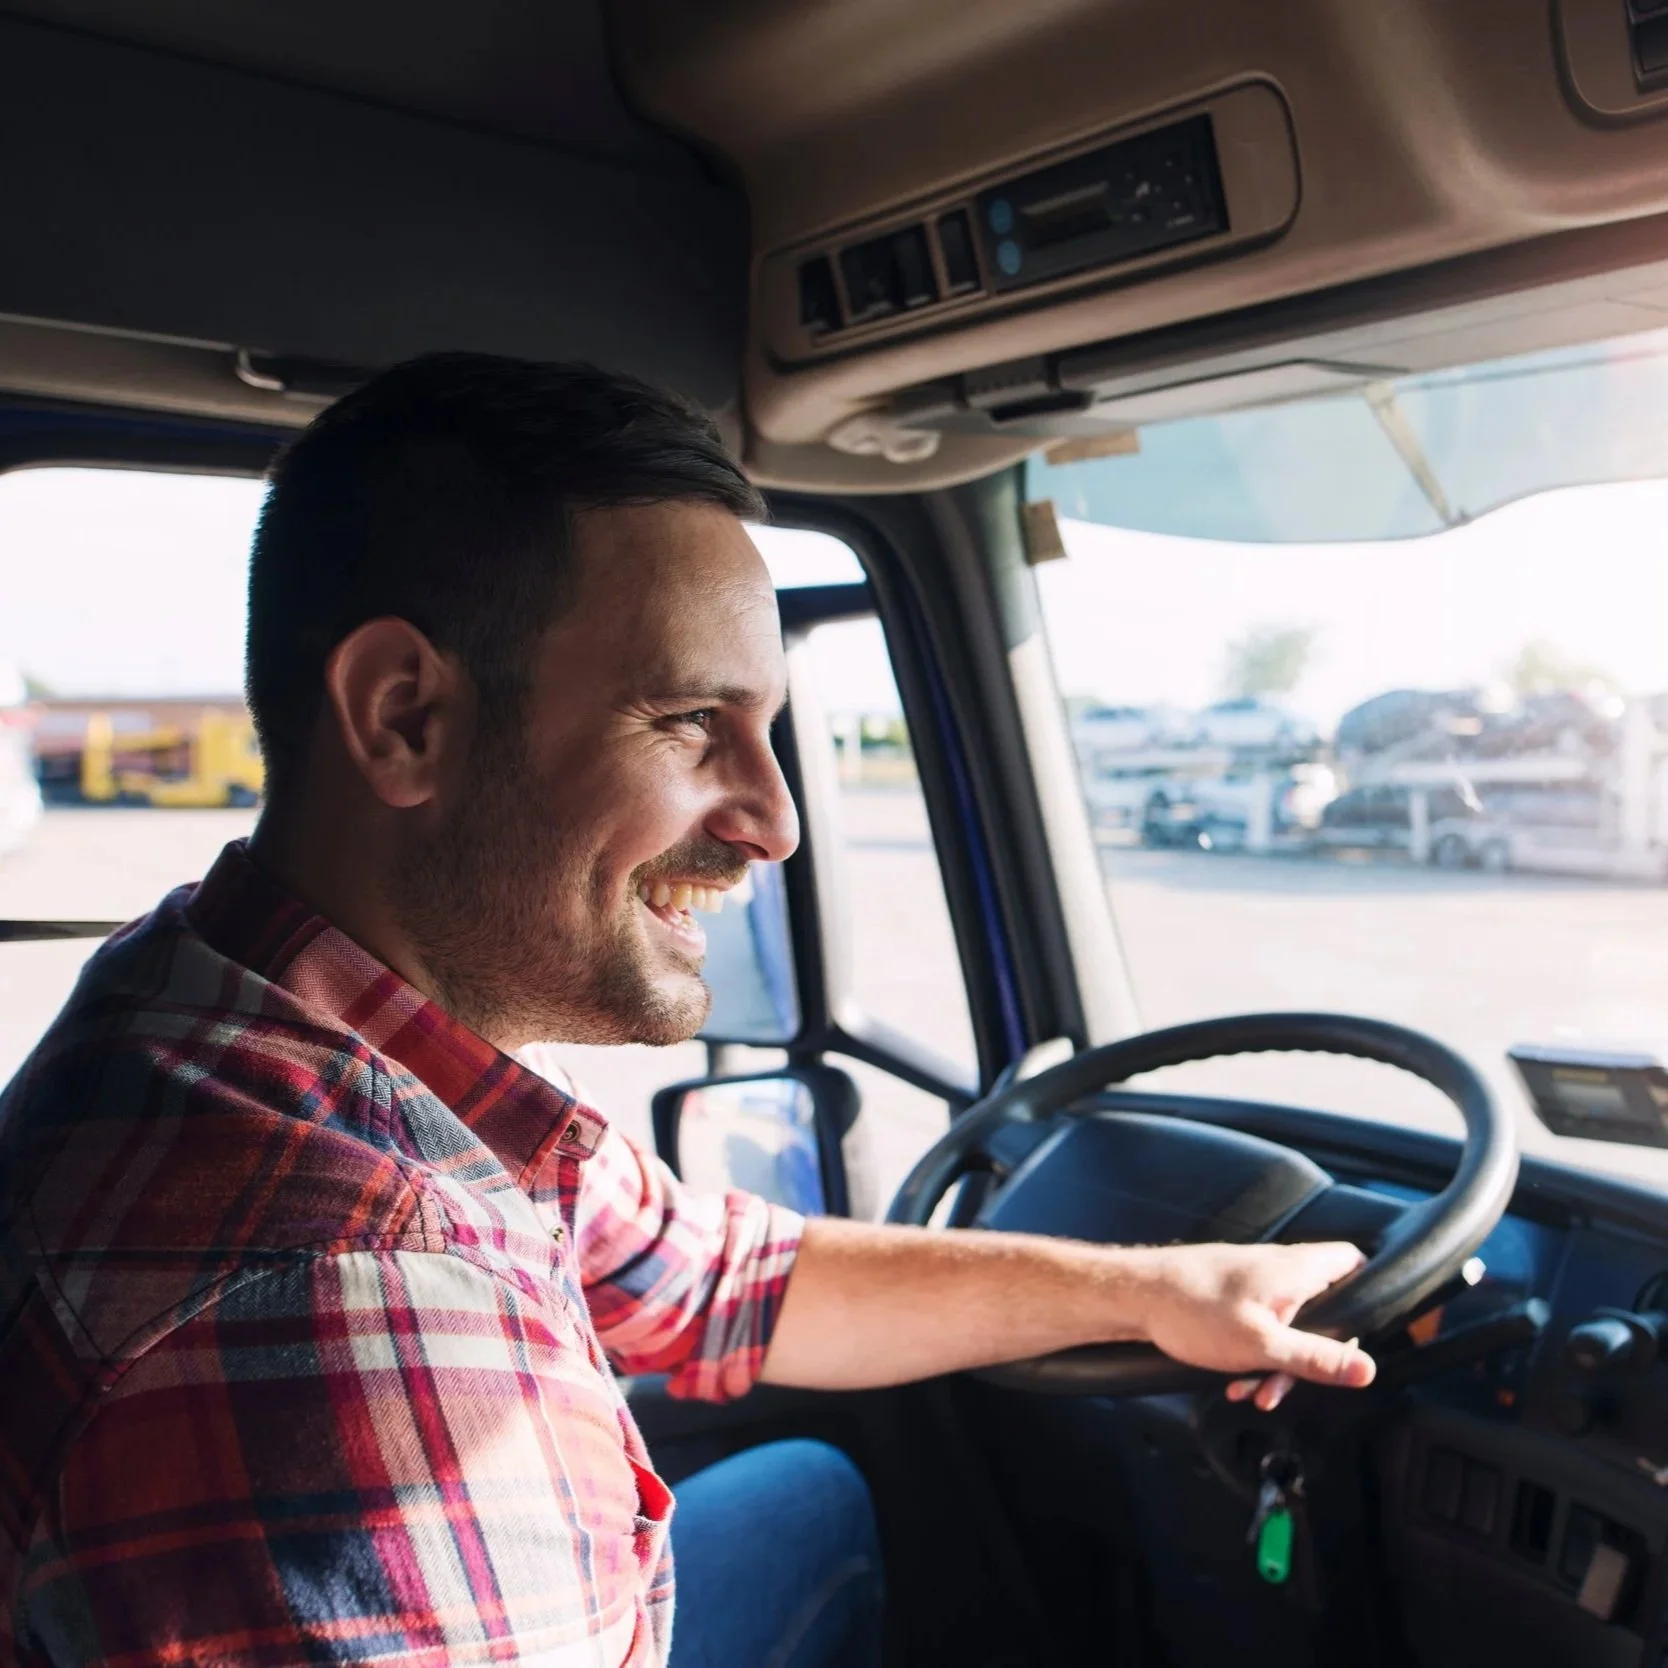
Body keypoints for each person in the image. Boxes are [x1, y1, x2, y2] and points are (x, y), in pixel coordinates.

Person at [0, 355, 1376, 1667]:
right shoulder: (349, 1320)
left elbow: (716, 1279)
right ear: (403, 716)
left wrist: (1166, 1292)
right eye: (687, 721)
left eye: (768, 728)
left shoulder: (246, 996)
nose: (774, 821)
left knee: (808, 1495)